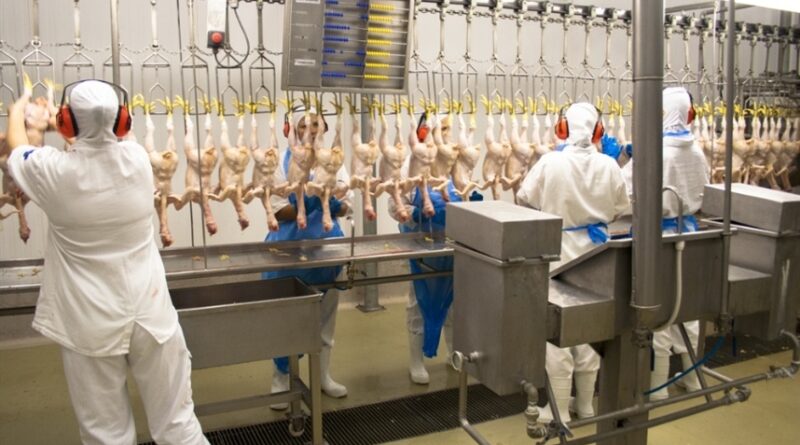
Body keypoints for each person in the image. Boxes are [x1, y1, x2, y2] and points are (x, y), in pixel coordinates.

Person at [2, 80, 208, 444]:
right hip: (151, 317)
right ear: (123, 122)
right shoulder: (137, 160)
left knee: (107, 436)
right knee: (178, 426)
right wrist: (73, 126)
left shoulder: (55, 172)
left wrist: (20, 109)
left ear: (66, 123)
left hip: (90, 323)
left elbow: (17, 147)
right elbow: (95, 145)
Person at [516, 102, 630, 423]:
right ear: (597, 132)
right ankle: (586, 405)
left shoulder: (551, 162)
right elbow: (621, 207)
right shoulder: (609, 165)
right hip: (597, 256)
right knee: (592, 326)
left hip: (559, 253)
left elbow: (524, 198)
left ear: (563, 128)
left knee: (557, 333)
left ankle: (558, 410)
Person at [622, 87, 710, 400]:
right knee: (687, 306)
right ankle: (693, 379)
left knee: (658, 309)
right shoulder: (696, 151)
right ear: (688, 114)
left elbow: (623, 190)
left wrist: (621, 159)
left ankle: (658, 387)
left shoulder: (655, 152)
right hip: (689, 233)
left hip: (657, 239)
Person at [264, 106, 352, 408]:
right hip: (289, 253)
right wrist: (310, 204)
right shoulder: (279, 162)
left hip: (327, 253)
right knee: (286, 320)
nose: (310, 131)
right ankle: (281, 378)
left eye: (316, 124)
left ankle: (323, 375)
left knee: (325, 319)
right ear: (292, 130)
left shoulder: (334, 161)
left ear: (324, 128)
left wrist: (334, 205)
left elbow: (348, 203)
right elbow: (277, 210)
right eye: (303, 125)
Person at [389, 115, 483, 385]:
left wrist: (473, 201)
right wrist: (415, 213)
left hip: (455, 246)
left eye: (447, 130)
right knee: (419, 302)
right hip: (422, 247)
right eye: (438, 130)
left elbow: (468, 193)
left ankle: (454, 353)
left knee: (455, 302)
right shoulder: (412, 164)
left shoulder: (457, 165)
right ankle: (416, 361)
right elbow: (394, 205)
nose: (444, 136)